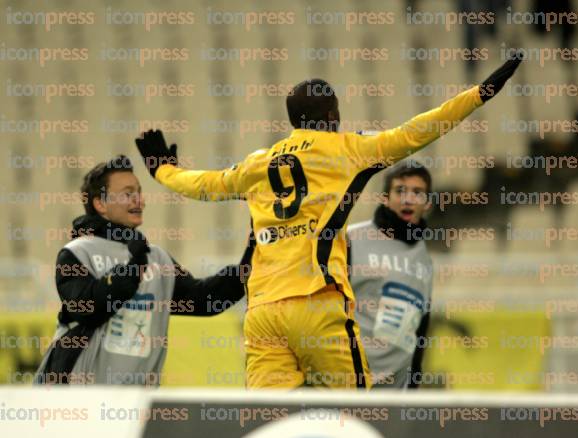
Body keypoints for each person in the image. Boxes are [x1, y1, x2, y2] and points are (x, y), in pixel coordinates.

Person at [134, 53, 523, 389]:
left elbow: (202, 184)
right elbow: (419, 130)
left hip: (263, 312)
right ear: (334, 115)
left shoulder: (257, 164)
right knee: (353, 416)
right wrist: (479, 95)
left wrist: (161, 170)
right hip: (317, 302)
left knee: (271, 423)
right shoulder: (348, 149)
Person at [34, 155, 246, 385]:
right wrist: (132, 269)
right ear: (100, 203)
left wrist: (251, 265)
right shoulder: (77, 252)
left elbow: (204, 300)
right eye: (128, 193)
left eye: (140, 192)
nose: (140, 201)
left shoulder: (157, 258)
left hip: (134, 404)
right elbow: (87, 308)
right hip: (74, 403)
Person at [347, 162, 433, 389]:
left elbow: (420, 328)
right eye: (400, 191)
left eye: (417, 192)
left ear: (427, 203)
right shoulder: (350, 240)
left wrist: (412, 387)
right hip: (346, 385)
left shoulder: (425, 259)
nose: (408, 199)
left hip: (394, 394)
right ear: (385, 198)